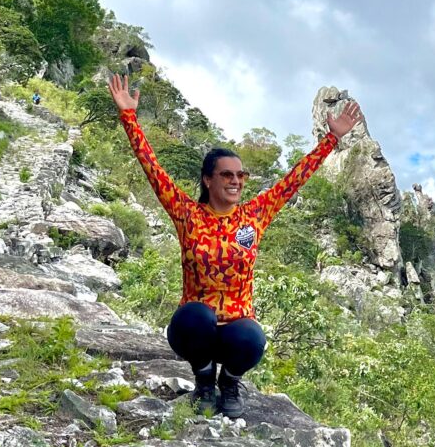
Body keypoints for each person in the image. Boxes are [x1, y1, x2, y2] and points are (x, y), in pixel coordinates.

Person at [107, 74, 363, 417]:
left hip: (235, 330)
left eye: (240, 175)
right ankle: (204, 381)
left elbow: (295, 179)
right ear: (208, 179)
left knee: (252, 338)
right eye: (227, 174)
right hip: (196, 330)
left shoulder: (255, 214)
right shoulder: (187, 213)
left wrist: (331, 139)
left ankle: (229, 381)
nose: (236, 181)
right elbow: (152, 168)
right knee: (194, 316)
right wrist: (129, 117)